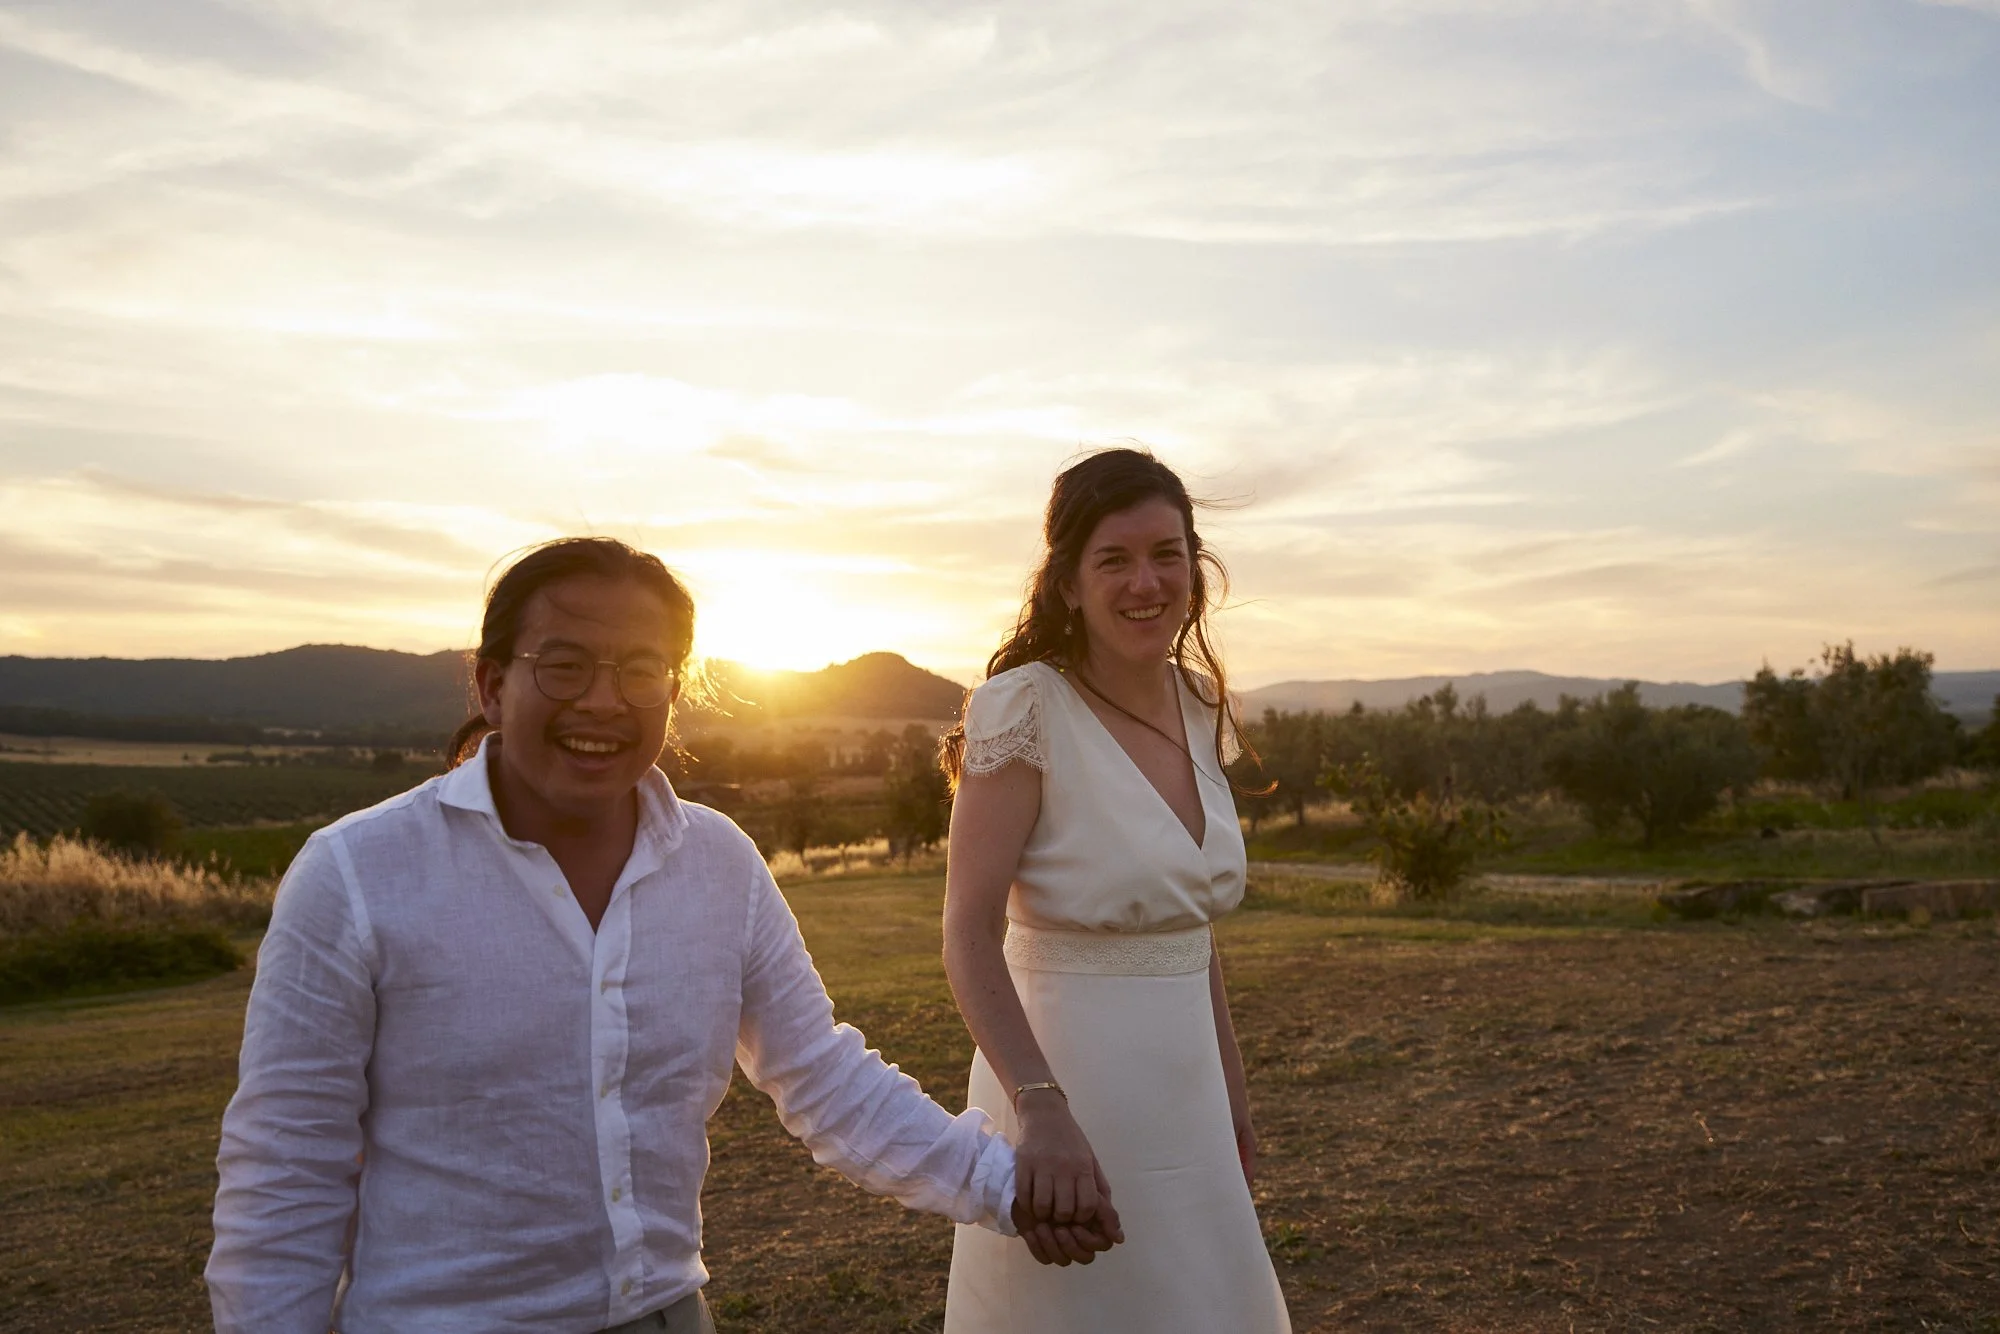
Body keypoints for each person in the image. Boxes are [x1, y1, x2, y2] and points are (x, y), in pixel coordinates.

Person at [207, 536, 1118, 1334]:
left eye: (642, 669)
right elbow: (285, 1171)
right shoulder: (358, 876)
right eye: (564, 665)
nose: (605, 702)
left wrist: (1011, 1187)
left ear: (674, 690)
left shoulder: (717, 864)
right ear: (491, 682)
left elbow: (826, 1078)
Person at [940, 450, 1292, 1332]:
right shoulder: (1023, 708)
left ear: (1194, 568)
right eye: (1114, 560)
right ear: (1066, 582)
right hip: (1064, 1092)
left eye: (1166, 554)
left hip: (1187, 1097)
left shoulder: (1201, 703)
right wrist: (1040, 1109)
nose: (1147, 582)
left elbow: (1188, 926)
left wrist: (1232, 1095)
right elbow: (968, 934)